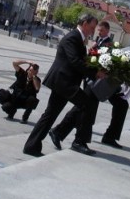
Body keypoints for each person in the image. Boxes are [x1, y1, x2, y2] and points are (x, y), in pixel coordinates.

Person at [23, 14, 100, 157]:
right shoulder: (72, 37)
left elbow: (79, 61)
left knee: (50, 114)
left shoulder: (79, 39)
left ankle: (33, 145)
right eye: (91, 27)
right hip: (63, 82)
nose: (93, 30)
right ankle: (77, 141)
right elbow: (74, 61)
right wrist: (95, 73)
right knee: (86, 104)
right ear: (84, 23)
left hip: (65, 82)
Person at [48, 20, 113, 148]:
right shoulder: (97, 42)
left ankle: (62, 133)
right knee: (85, 107)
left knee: (85, 107)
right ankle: (74, 139)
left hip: (96, 79)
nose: (98, 32)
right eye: (97, 30)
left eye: (100, 30)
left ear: (107, 31)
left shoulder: (109, 44)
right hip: (91, 78)